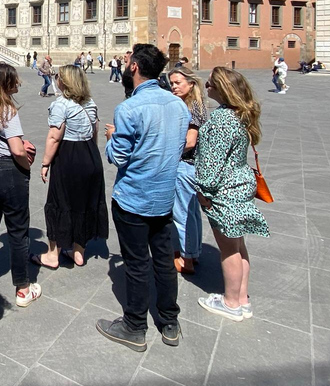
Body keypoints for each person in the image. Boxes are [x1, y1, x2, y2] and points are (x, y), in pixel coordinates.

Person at [96, 43, 190, 352]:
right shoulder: (178, 105)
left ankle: (134, 326)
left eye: (127, 62)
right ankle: (170, 321)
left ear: (134, 67)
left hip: (134, 198)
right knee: (163, 260)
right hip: (164, 195)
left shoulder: (129, 109)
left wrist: (111, 139)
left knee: (137, 263)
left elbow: (119, 157)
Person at [196, 67, 269, 322]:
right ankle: (242, 298)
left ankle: (230, 302)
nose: (206, 86)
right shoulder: (240, 115)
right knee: (238, 244)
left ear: (222, 88)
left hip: (224, 190)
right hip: (240, 184)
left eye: (210, 84)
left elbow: (211, 164)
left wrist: (203, 191)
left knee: (228, 248)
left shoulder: (223, 120)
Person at [0, 63, 41, 307]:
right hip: (8, 172)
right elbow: (15, 148)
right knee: (18, 230)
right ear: (4, 83)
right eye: (14, 80)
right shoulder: (8, 110)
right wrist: (26, 162)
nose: (18, 83)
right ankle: (23, 288)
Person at [34, 65, 108, 268]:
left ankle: (52, 254)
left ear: (64, 82)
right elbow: (95, 132)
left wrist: (45, 163)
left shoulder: (62, 104)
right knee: (84, 202)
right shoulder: (90, 103)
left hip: (69, 157)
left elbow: (54, 137)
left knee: (60, 203)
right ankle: (78, 251)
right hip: (90, 155)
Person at [168, 67, 209, 275]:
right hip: (192, 166)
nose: (174, 86)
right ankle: (194, 252)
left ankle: (186, 257)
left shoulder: (191, 107)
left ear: (191, 83)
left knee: (182, 213)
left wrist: (168, 153)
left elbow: (190, 141)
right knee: (191, 213)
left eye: (178, 82)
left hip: (185, 165)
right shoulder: (196, 104)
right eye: (172, 83)